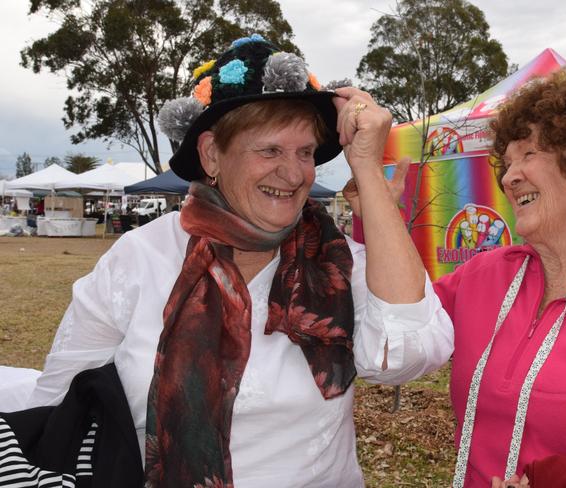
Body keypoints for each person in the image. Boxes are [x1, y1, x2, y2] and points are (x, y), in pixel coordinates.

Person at [26, 35, 454, 487]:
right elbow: (59, 407)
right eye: (270, 150)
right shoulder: (138, 259)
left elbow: (411, 352)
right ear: (212, 154)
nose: (294, 174)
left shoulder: (337, 262)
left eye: (306, 152)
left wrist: (366, 169)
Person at [431, 67, 566, 487]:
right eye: (507, 162)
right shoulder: (481, 277)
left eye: (529, 155)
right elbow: (397, 319)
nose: (509, 176)